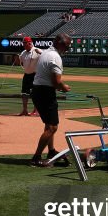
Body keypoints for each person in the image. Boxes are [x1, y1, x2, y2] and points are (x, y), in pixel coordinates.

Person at [30, 33, 72, 167]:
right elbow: (56, 82)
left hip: (37, 90)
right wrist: (64, 87)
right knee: (53, 127)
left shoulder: (46, 52)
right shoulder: (55, 57)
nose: (67, 49)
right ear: (60, 43)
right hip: (45, 92)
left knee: (49, 124)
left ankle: (51, 151)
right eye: (66, 46)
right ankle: (36, 158)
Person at [18, 36, 42, 116]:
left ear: (30, 43)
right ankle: (24, 110)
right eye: (23, 43)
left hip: (35, 75)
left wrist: (40, 53)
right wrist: (17, 60)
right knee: (24, 93)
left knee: (35, 93)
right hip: (26, 75)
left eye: (25, 43)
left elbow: (45, 57)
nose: (24, 45)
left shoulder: (36, 50)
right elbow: (20, 62)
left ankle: (36, 110)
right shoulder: (23, 53)